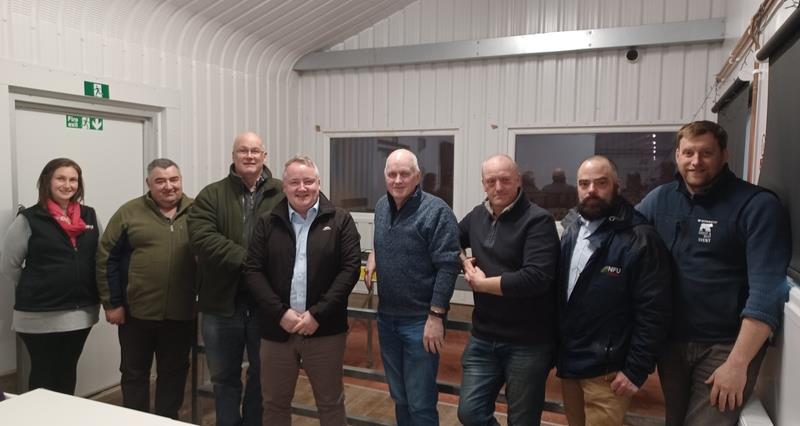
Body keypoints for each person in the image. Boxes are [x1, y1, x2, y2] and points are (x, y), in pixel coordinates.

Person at [636, 121, 791, 425]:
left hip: (726, 346)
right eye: (688, 152)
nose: (696, 161)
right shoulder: (660, 199)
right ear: (677, 156)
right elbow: (622, 232)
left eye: (706, 153)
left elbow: (767, 290)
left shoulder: (756, 206)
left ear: (724, 155)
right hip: (672, 343)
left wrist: (738, 363)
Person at [244, 155, 361, 425]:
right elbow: (253, 271)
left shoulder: (341, 220)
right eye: (294, 182)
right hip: (277, 331)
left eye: (308, 181)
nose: (302, 188)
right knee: (273, 404)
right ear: (284, 186)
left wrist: (317, 314)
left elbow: (350, 270)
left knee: (331, 404)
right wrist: (279, 313)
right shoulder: (267, 223)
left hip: (324, 330)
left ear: (318, 183)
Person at [557, 155, 672, 426]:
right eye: (584, 184)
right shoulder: (572, 229)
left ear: (617, 185)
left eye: (601, 183)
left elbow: (655, 311)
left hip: (609, 373)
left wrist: (636, 370)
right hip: (571, 364)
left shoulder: (640, 237)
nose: (591, 191)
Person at [188, 131, 284, 426]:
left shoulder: (283, 192)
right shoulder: (211, 194)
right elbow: (202, 238)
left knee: (262, 374)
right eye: (243, 150)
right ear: (233, 156)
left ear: (264, 156)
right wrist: (251, 262)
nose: (249, 156)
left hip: (265, 304)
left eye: (255, 151)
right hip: (220, 304)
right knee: (223, 377)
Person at [456, 155, 560, 426]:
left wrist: (482, 285)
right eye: (491, 181)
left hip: (527, 342)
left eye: (505, 179)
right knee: (470, 412)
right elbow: (451, 239)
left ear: (518, 181)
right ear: (483, 184)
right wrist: (464, 260)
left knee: (523, 420)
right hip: (483, 338)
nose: (498, 187)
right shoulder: (477, 216)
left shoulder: (538, 220)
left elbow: (535, 278)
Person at [364, 148, 460, 426]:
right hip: (387, 318)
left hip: (420, 321)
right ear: (385, 177)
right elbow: (385, 239)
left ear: (417, 176)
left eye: (404, 174)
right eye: (391, 174)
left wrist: (436, 316)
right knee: (400, 396)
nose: (397, 180)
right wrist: (374, 254)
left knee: (420, 402)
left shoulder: (437, 211)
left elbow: (448, 266)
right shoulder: (382, 206)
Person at [96, 158, 195, 419]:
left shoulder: (198, 211)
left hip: (181, 314)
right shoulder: (129, 213)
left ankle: (166, 421)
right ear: (148, 184)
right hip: (136, 313)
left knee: (173, 374)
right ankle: (135, 421)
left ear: (181, 181)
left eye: (174, 180)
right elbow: (106, 257)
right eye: (160, 181)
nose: (168, 186)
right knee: (134, 374)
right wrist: (112, 303)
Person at [0, 158, 100, 394]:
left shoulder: (89, 216)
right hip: (39, 316)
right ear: (47, 181)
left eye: (73, 179)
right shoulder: (30, 218)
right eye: (61, 178)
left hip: (80, 313)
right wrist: (38, 286)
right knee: (44, 374)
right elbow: (9, 265)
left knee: (67, 371)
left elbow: (99, 257)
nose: (67, 184)